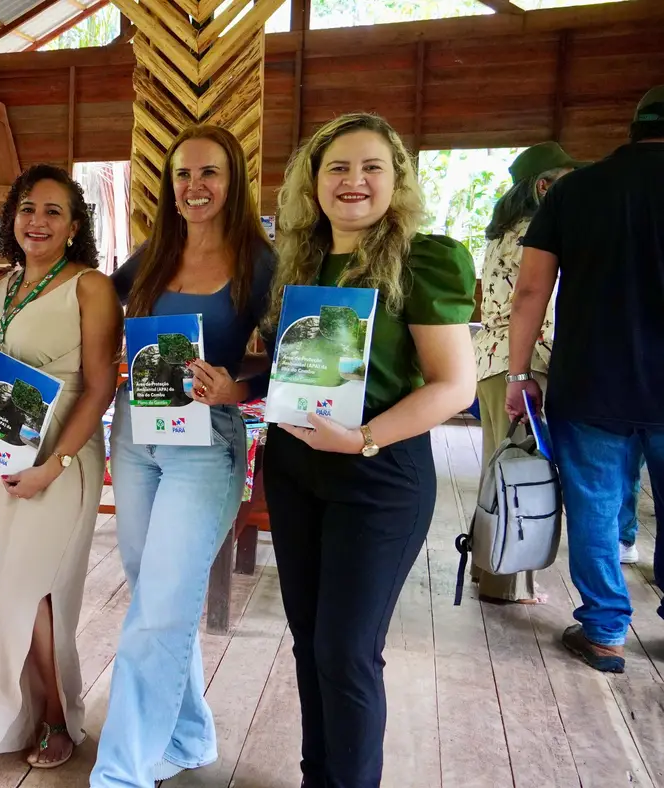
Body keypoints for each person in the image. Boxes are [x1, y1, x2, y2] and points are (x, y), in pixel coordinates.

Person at [263, 113, 476, 787]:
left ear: (396, 180)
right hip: (294, 468)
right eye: (338, 167)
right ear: (313, 182)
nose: (353, 180)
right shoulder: (296, 261)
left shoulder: (425, 258)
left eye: (371, 167)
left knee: (347, 651)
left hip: (378, 473)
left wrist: (363, 439)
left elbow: (455, 386)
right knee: (309, 642)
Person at [90, 125, 275, 787]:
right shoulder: (154, 254)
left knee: (162, 603)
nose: (194, 186)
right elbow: (94, 301)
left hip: (207, 442)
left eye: (209, 173)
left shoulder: (261, 262)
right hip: (135, 431)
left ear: (233, 182)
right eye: (183, 175)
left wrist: (237, 388)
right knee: (155, 595)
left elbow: (292, 360)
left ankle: (122, 771)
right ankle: (189, 735)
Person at [0, 164, 121, 768]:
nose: (38, 221)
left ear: (74, 226)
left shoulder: (90, 288)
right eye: (27, 208)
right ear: (12, 219)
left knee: (32, 586)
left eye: (53, 211)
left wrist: (56, 464)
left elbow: (101, 385)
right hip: (1, 445)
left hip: (60, 451)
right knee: (7, 581)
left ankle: (56, 716)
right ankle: (17, 709)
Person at [507, 85, 664, 674]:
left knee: (594, 506)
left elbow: (530, 290)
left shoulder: (575, 191)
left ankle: (603, 631)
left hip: (591, 382)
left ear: (633, 126)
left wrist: (518, 373)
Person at [471, 142, 582, 604]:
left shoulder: (502, 233)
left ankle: (487, 567)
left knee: (497, 467)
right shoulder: (539, 233)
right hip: (525, 360)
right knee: (522, 473)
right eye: (566, 182)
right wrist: (526, 371)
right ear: (543, 187)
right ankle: (507, 584)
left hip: (492, 359)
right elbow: (532, 301)